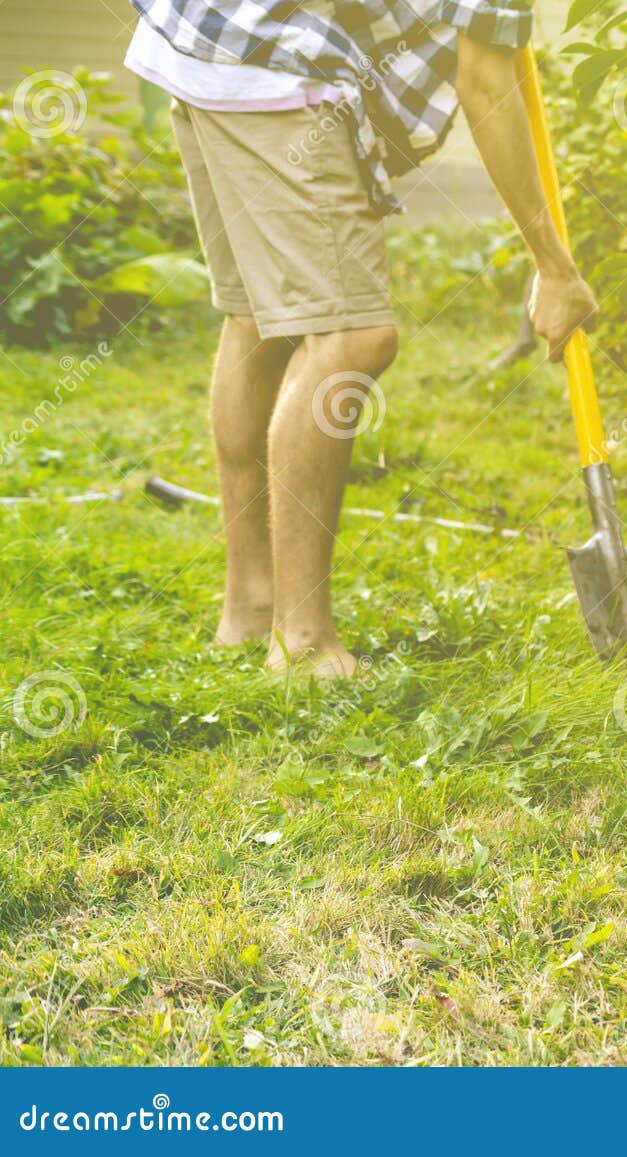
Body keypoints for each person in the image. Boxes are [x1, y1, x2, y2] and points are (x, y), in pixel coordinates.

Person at [124, 0, 598, 677]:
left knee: (259, 314)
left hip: (199, 38)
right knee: (352, 335)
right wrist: (553, 265)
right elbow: (484, 79)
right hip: (271, 70)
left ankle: (253, 606)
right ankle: (303, 643)